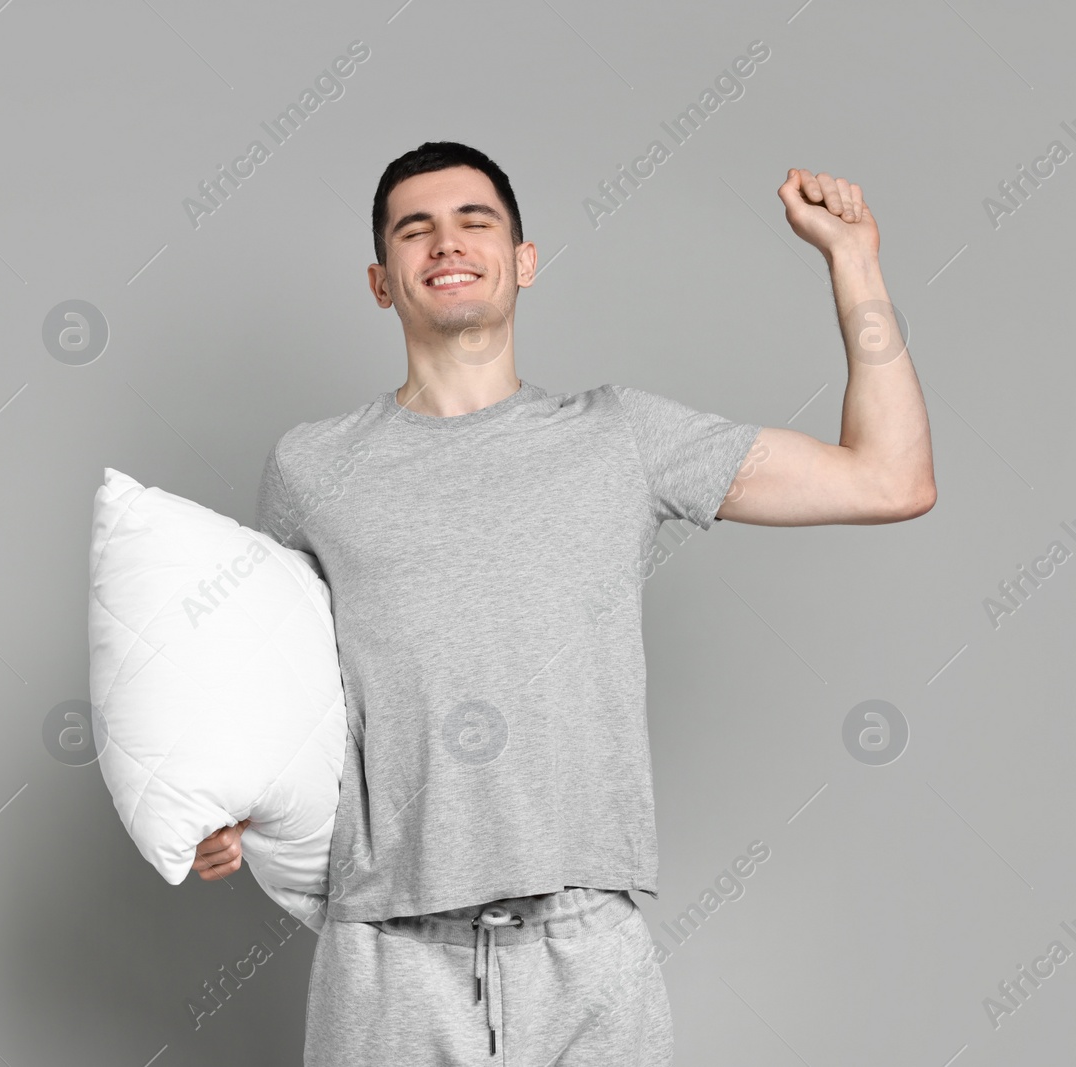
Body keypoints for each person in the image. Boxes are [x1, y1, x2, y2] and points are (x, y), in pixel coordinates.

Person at [192, 142, 934, 1065]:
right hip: (387, 956)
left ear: (524, 260)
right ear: (382, 281)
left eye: (475, 221)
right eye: (414, 229)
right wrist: (216, 803)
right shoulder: (311, 467)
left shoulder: (619, 436)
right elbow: (277, 686)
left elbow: (890, 478)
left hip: (588, 951)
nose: (447, 242)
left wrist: (854, 258)